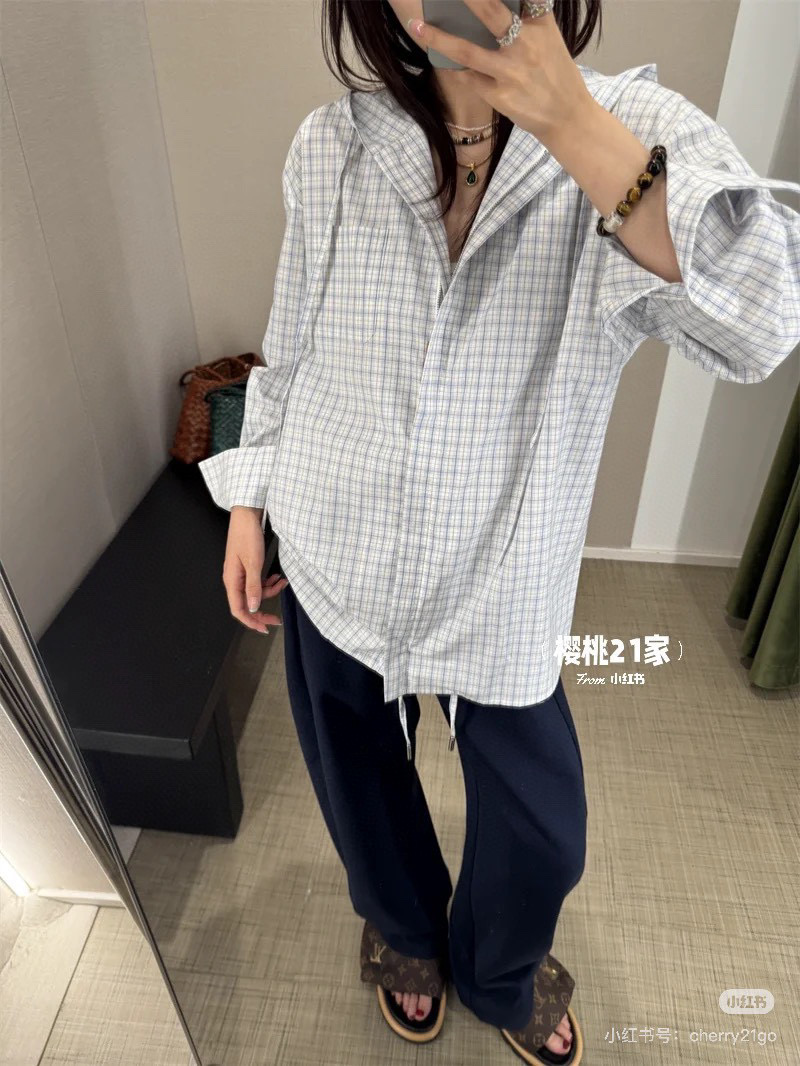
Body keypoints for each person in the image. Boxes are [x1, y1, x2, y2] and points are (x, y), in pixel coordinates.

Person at [198, 2, 800, 1063]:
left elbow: (760, 323)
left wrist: (571, 124)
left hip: (503, 581)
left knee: (539, 829)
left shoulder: (632, 127)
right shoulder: (334, 143)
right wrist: (250, 501)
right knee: (355, 779)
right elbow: (289, 347)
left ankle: (499, 969)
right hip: (334, 548)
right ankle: (403, 934)